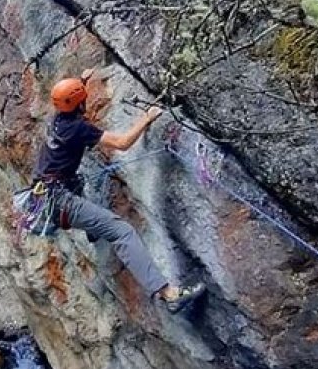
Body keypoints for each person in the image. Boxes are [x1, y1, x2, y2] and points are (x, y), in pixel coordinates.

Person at [32, 72, 206, 313]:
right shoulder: (78, 128)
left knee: (83, 199)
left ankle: (94, 229)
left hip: (44, 194)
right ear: (79, 103)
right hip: (61, 200)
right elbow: (122, 143)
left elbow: (70, 103)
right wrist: (146, 118)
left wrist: (81, 83)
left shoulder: (57, 120)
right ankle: (168, 294)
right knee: (122, 232)